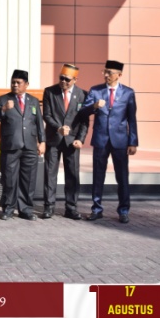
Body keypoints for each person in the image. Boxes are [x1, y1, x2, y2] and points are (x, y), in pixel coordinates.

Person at [81, 60, 138, 224]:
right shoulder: (95, 90)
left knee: (122, 177)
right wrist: (94, 106)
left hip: (120, 140)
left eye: (109, 73)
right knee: (98, 176)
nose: (106, 75)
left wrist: (133, 142)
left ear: (119, 75)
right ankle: (96, 209)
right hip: (101, 139)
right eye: (104, 72)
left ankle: (123, 211)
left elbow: (132, 119)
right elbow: (83, 112)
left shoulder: (128, 93)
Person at [0, 69, 46, 221]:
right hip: (10, 146)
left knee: (28, 179)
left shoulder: (34, 101)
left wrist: (42, 142)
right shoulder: (3, 99)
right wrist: (3, 109)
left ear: (26, 84)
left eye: (18, 82)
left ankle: (25, 209)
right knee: (9, 179)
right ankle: (8, 208)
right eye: (13, 82)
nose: (15, 85)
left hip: (30, 146)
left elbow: (39, 123)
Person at [42, 64, 89, 220]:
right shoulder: (50, 92)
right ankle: (49, 207)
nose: (63, 81)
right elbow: (47, 115)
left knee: (72, 175)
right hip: (54, 139)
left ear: (75, 80)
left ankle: (71, 208)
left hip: (72, 141)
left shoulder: (83, 95)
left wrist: (80, 139)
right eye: (61, 78)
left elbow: (84, 121)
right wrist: (58, 128)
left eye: (67, 79)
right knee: (50, 174)